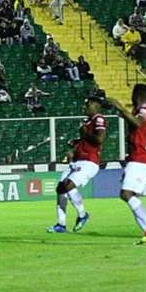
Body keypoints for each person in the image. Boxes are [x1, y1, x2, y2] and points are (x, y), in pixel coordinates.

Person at [107, 84, 146, 245]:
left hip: (140, 157)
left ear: (137, 95)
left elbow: (138, 123)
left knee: (126, 194)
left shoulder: (144, 109)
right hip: (137, 157)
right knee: (130, 196)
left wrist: (120, 108)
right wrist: (123, 114)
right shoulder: (145, 110)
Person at [47, 97, 105, 233]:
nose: (85, 108)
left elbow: (99, 139)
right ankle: (61, 225)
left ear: (94, 105)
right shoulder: (88, 121)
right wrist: (76, 144)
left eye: (87, 105)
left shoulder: (99, 119)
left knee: (68, 185)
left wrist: (85, 134)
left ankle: (83, 215)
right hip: (78, 160)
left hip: (89, 161)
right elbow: (86, 140)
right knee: (61, 189)